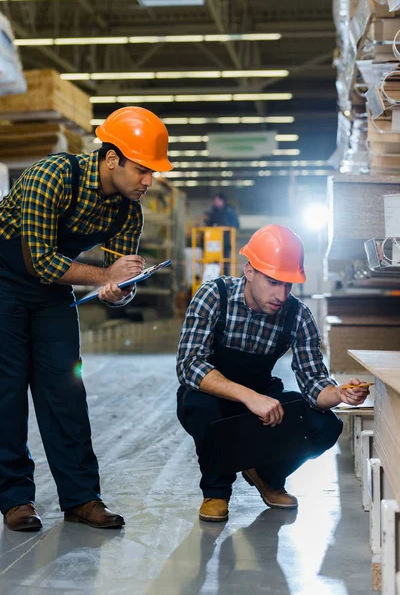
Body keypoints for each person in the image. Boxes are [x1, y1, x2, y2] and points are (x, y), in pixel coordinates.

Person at [0, 106, 172, 531]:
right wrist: (104, 275)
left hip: (53, 291)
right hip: (5, 281)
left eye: (153, 172)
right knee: (6, 394)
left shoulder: (127, 211)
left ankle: (81, 497)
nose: (148, 181)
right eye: (142, 170)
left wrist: (119, 289)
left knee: (66, 392)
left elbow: (116, 283)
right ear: (111, 158)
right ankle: (15, 499)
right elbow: (39, 260)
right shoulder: (52, 176)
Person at [176, 225, 370, 522]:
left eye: (289, 285)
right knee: (202, 406)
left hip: (261, 396)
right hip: (212, 397)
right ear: (250, 271)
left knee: (324, 425)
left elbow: (314, 383)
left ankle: (267, 476)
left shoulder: (297, 315)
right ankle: (216, 491)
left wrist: (340, 394)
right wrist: (249, 397)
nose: (281, 295)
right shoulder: (214, 296)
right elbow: (189, 364)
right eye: (273, 282)